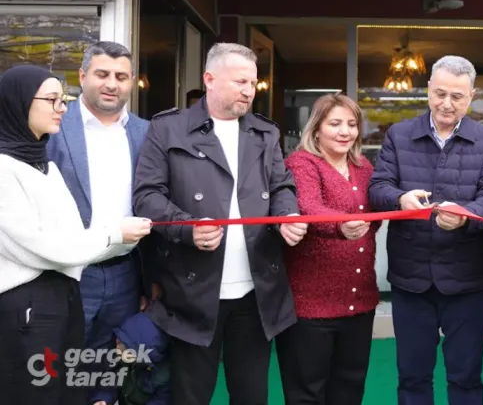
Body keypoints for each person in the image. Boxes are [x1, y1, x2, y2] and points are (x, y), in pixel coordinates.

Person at [132, 42, 308, 405]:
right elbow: (146, 197)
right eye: (240, 81)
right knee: (191, 396)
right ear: (209, 79)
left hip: (255, 292)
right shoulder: (167, 129)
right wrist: (188, 228)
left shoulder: (265, 133)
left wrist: (287, 217)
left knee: (251, 396)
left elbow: (282, 186)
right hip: (192, 291)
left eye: (253, 83)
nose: (249, 90)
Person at [0, 64, 152, 405]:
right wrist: (115, 233)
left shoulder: (44, 165)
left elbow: (70, 234)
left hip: (64, 296)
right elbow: (49, 246)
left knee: (69, 391)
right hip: (26, 309)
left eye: (63, 99)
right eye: (52, 100)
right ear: (19, 102)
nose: (62, 108)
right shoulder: (3, 169)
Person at [369, 55, 483, 405]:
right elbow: (378, 187)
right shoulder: (399, 135)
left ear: (471, 96)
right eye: (440, 93)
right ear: (428, 90)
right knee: (413, 378)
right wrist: (399, 199)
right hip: (411, 278)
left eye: (457, 96)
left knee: (466, 377)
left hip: (467, 279)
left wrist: (466, 215)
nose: (447, 103)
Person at [46, 41, 152, 405]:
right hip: (69, 271)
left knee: (108, 371)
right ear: (82, 76)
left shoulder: (145, 132)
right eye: (102, 74)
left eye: (121, 76)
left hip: (126, 272)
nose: (112, 84)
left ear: (132, 82)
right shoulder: (54, 129)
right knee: (56, 366)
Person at [275, 93, 379, 405]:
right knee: (307, 394)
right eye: (335, 123)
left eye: (351, 124)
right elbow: (308, 206)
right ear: (316, 128)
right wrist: (341, 224)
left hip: (359, 302)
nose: (345, 131)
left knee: (349, 390)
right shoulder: (301, 163)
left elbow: (376, 214)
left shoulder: (364, 167)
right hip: (310, 307)